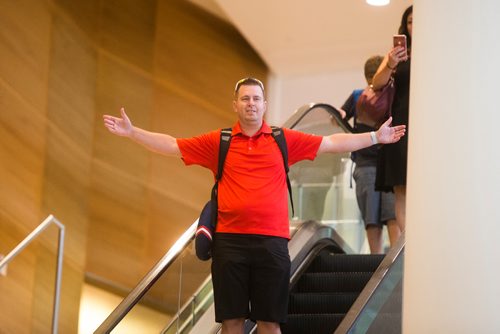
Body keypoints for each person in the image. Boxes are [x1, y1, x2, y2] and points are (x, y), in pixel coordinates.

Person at [103, 77, 405, 334]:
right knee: (232, 322)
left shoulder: (281, 139)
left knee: (270, 323)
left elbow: (332, 144)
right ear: (235, 104)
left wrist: (375, 137)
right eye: (245, 98)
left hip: (272, 244)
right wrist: (133, 132)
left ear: (264, 105)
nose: (251, 103)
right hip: (229, 244)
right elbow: (173, 145)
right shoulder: (219, 141)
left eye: (256, 98)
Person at [341, 55, 401, 254]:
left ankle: (375, 260)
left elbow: (339, 117)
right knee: (392, 213)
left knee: (372, 217)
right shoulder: (394, 94)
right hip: (389, 160)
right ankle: (394, 259)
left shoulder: (358, 95)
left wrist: (354, 135)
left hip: (366, 162)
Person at [371, 5, 412, 235]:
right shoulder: (396, 55)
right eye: (410, 22)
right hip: (401, 125)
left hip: (431, 126)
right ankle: (408, 248)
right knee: (402, 191)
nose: (414, 26)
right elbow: (376, 84)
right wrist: (391, 63)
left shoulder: (438, 51)